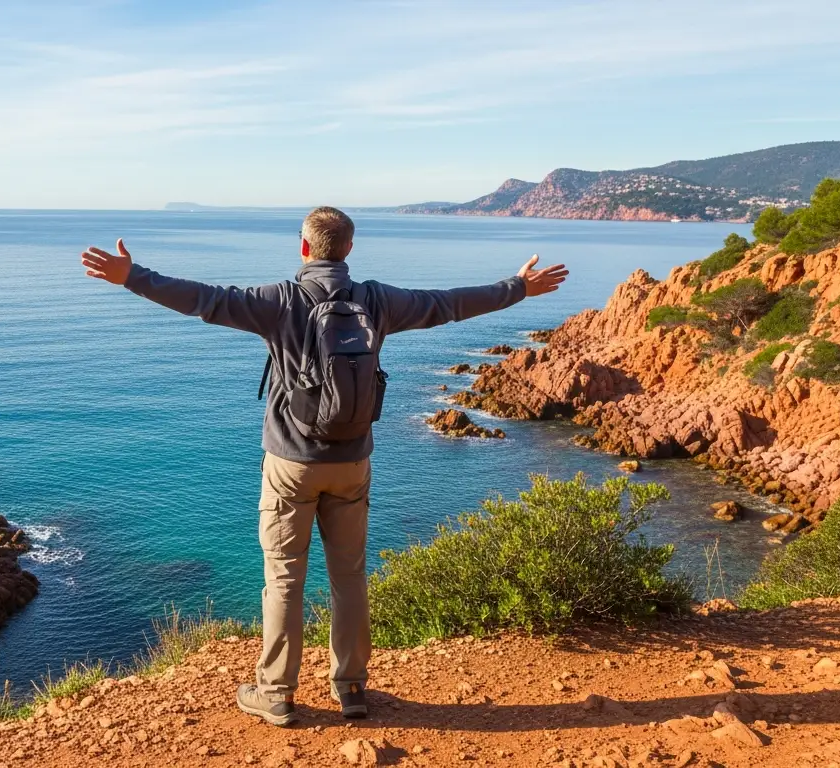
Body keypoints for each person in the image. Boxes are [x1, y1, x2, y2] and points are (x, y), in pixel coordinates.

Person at [78, 206, 567, 727]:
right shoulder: (376, 300)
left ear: (304, 247)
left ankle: (277, 692)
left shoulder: (279, 301)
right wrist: (517, 287)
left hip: (291, 463)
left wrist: (131, 276)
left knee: (285, 576)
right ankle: (352, 687)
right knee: (350, 575)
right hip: (352, 461)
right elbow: (445, 305)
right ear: (349, 250)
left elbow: (205, 300)